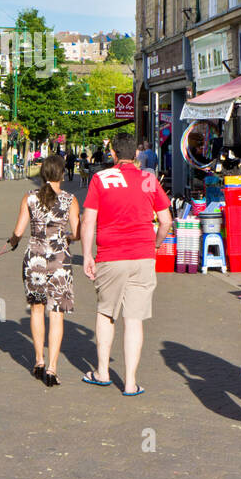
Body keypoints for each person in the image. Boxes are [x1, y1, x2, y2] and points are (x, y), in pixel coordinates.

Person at [81, 132, 172, 396]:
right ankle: (131, 382)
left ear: (113, 154)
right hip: (143, 254)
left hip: (111, 254)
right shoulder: (149, 179)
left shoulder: (100, 179)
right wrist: (155, 244)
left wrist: (88, 254)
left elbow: (88, 221)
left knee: (106, 312)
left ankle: (102, 371)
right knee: (134, 319)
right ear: (136, 155)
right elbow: (166, 221)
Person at [8, 154, 80, 387]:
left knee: (37, 310)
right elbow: (77, 233)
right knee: (56, 314)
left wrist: (12, 242)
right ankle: (52, 368)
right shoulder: (70, 200)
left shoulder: (29, 199)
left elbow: (19, 231)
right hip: (59, 260)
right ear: (61, 174)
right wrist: (66, 237)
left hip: (35, 260)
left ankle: (38, 361)